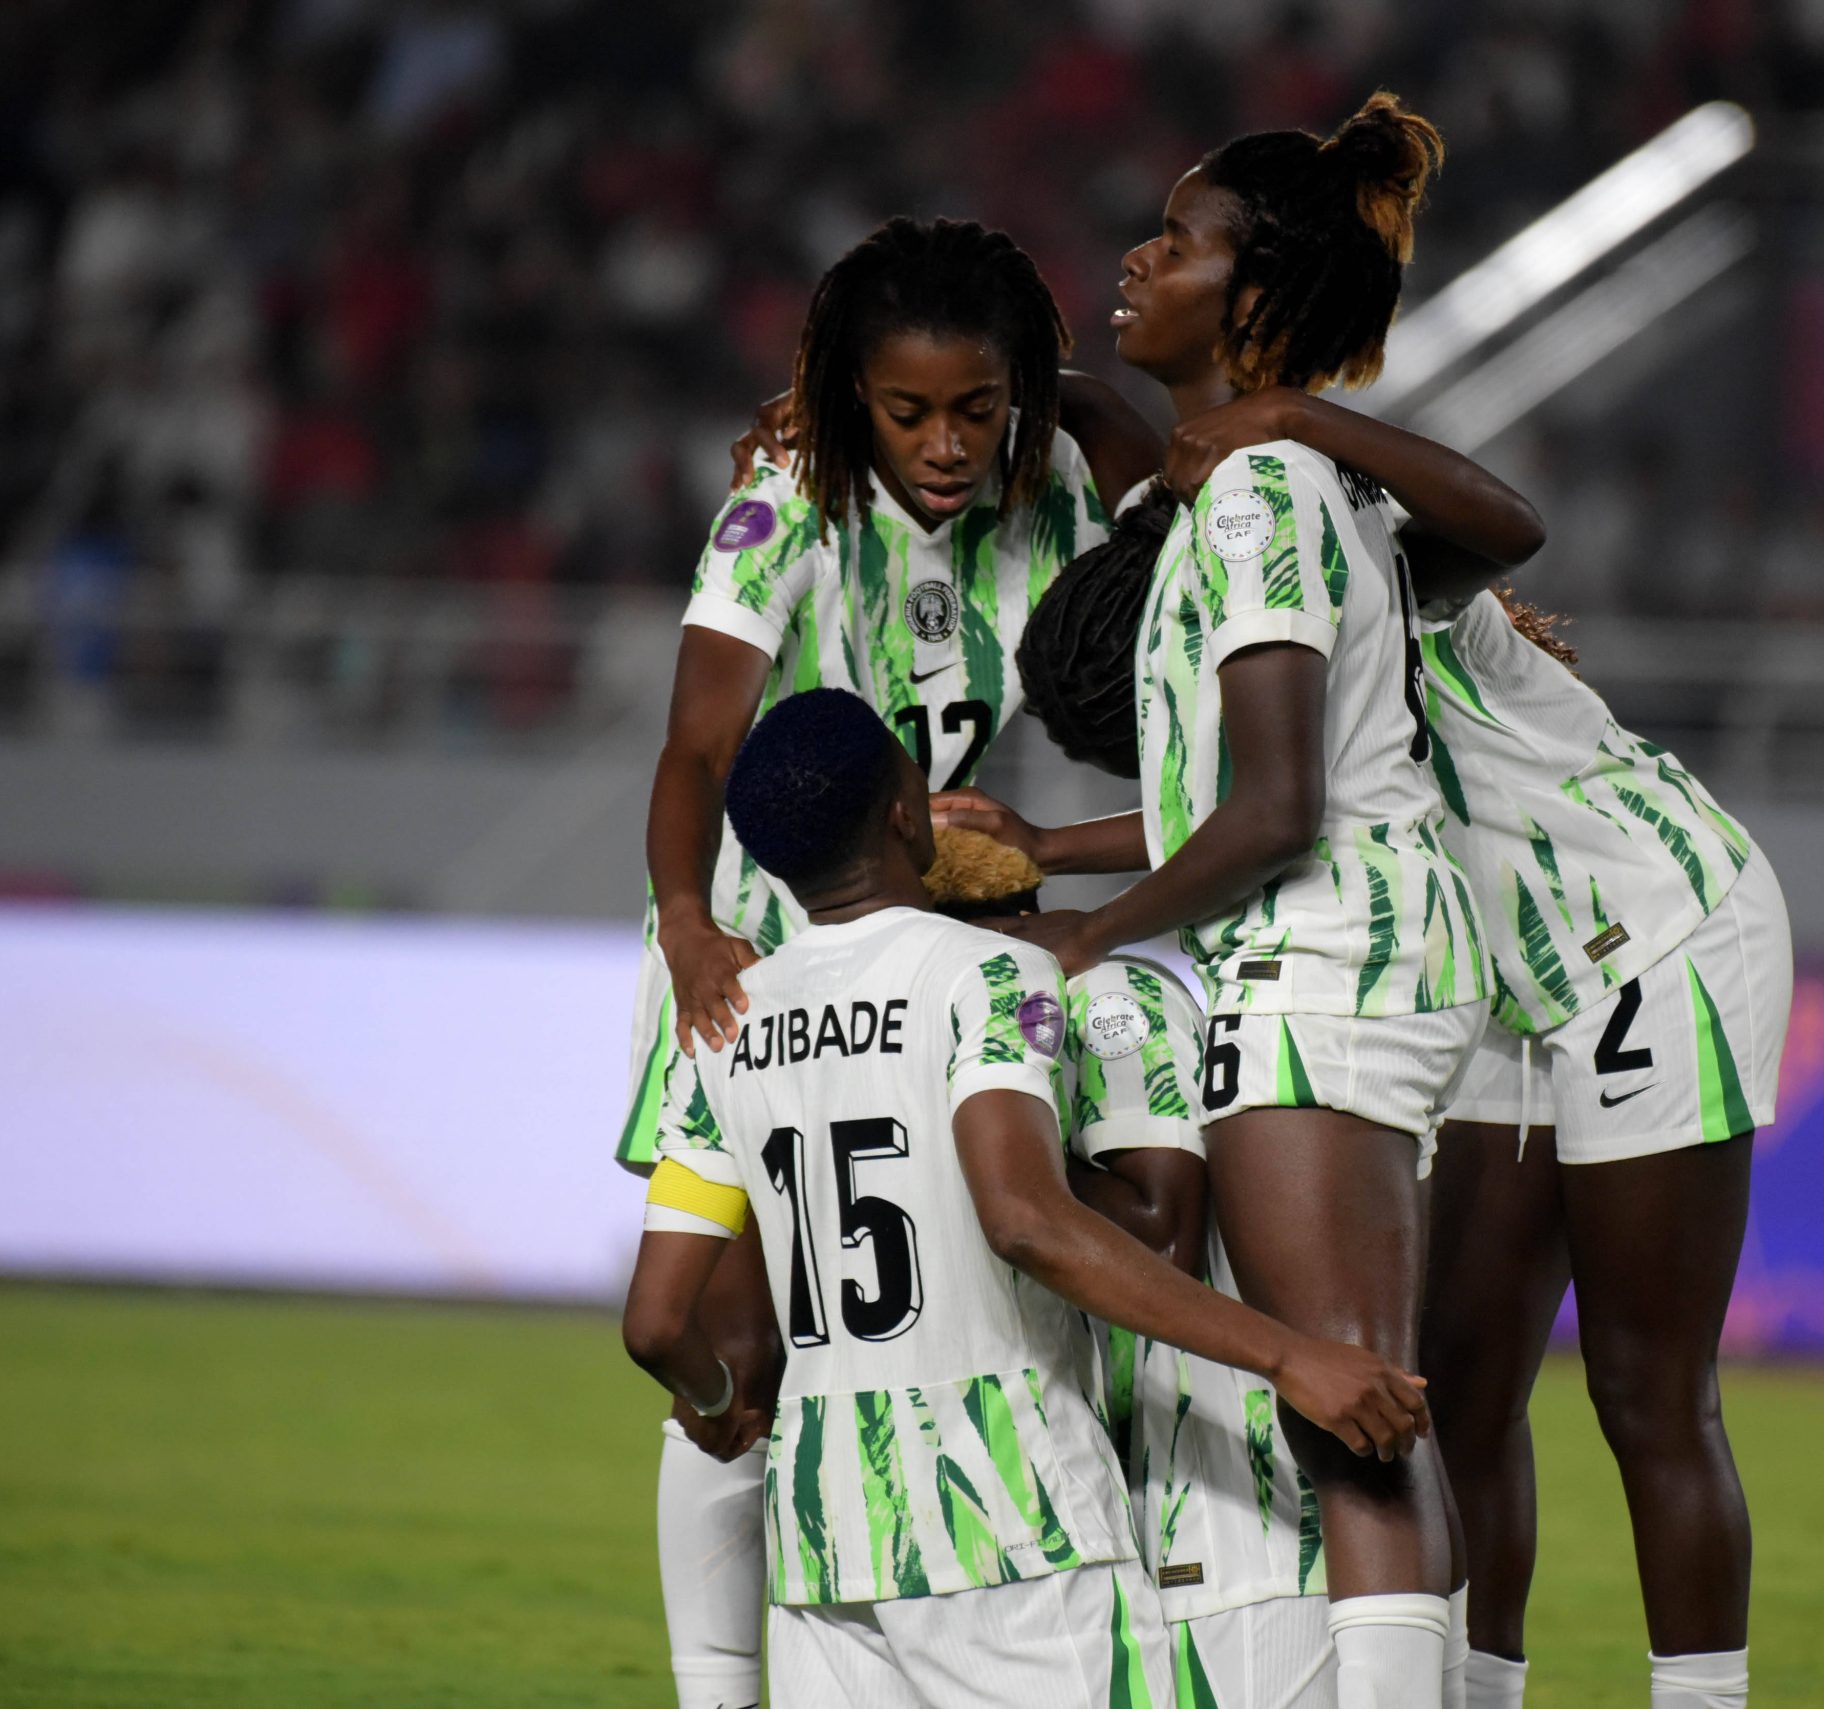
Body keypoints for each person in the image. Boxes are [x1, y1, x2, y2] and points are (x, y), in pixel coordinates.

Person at [942, 95, 1542, 1709]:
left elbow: (1276, 808)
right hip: (1335, 941)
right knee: (1344, 1383)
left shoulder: (1271, 494)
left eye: (1181, 240)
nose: (1139, 256)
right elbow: (1244, 787)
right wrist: (1057, 855)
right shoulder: (1237, 492)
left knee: (1345, 1385)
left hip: (1336, 946)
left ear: (1255, 294)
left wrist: (1084, 935)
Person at [620, 686, 1434, 1708]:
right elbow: (1024, 1218)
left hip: (822, 1532)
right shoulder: (990, 976)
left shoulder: (726, 1021)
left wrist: (716, 1402)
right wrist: (1289, 1352)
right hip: (1001, 1508)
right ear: (906, 815)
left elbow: (655, 1321)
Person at [617, 214, 1160, 1709]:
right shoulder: (785, 495)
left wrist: (1069, 393)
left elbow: (1175, 506)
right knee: (737, 1357)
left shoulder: (1048, 486)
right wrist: (682, 922)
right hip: (755, 962)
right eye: (907, 409)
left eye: (976, 408)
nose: (941, 443)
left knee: (946, 1322)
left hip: (935, 956)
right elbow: (699, 742)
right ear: (849, 393)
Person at [935, 582, 1342, 1707]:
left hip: (1228, 1506)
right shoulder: (1003, 1026)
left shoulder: (1111, 1004)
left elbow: (1162, 1228)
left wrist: (974, 1146)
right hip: (1127, 1511)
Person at [1414, 592, 1791, 1709]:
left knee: (1645, 1386)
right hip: (1500, 968)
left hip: (1653, 932)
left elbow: (1497, 520)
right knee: (1457, 1385)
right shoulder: (1218, 578)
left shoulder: (1353, 526)